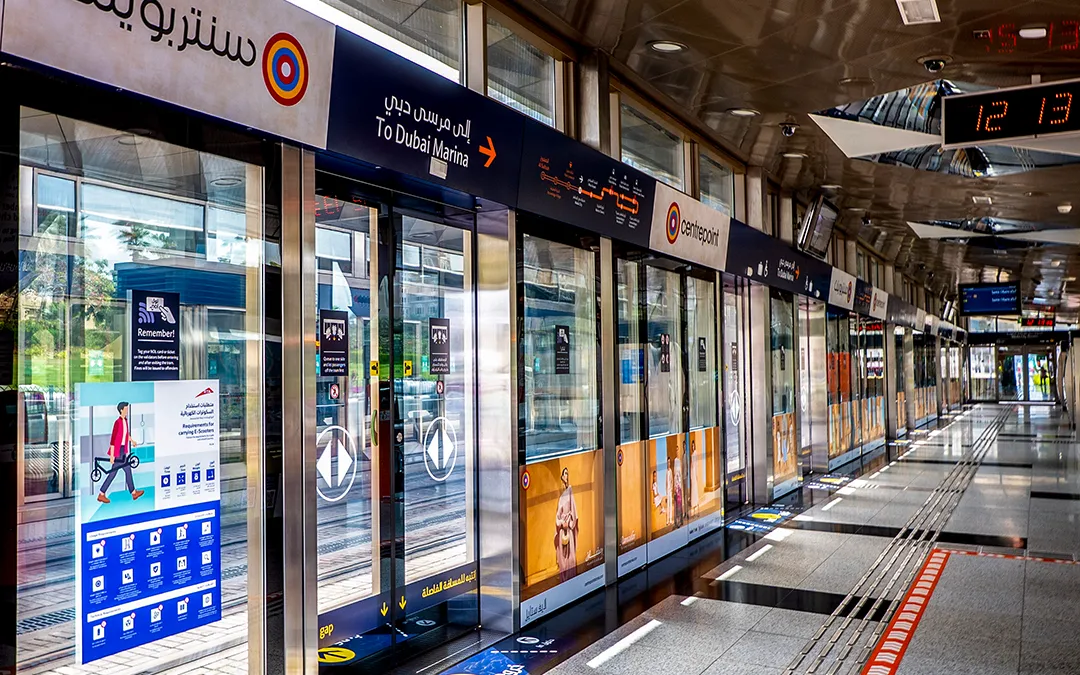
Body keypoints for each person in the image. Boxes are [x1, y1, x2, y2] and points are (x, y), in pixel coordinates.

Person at [98, 401, 144, 504]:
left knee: (123, 471)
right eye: (126, 409)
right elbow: (113, 439)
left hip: (123, 450)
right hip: (118, 451)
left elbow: (126, 435)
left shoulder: (125, 421)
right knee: (117, 472)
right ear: (122, 410)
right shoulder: (117, 422)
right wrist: (112, 455)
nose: (127, 410)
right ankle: (103, 493)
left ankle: (132, 492)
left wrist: (132, 441)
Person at [553, 467, 578, 582]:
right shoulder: (561, 497)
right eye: (564, 474)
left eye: (567, 474)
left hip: (569, 527)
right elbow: (557, 516)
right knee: (563, 557)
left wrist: (569, 523)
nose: (566, 476)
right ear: (562, 477)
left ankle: (571, 579)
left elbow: (574, 511)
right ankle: (564, 579)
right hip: (562, 528)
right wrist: (561, 523)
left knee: (571, 556)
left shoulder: (570, 491)